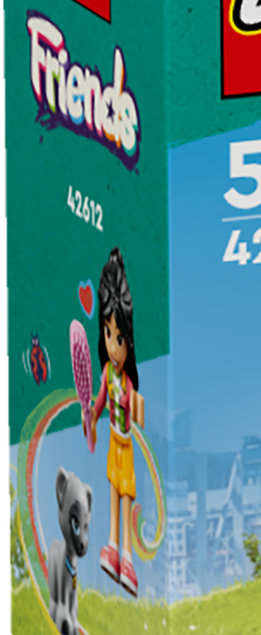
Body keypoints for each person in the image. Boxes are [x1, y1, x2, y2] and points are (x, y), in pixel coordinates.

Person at [90, 247, 145, 595]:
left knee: (126, 494)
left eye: (119, 339)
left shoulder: (126, 382)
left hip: (126, 442)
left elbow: (134, 409)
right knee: (113, 488)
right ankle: (112, 545)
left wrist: (129, 403)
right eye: (108, 335)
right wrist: (92, 418)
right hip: (113, 439)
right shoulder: (108, 373)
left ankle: (127, 556)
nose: (113, 347)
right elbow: (99, 400)